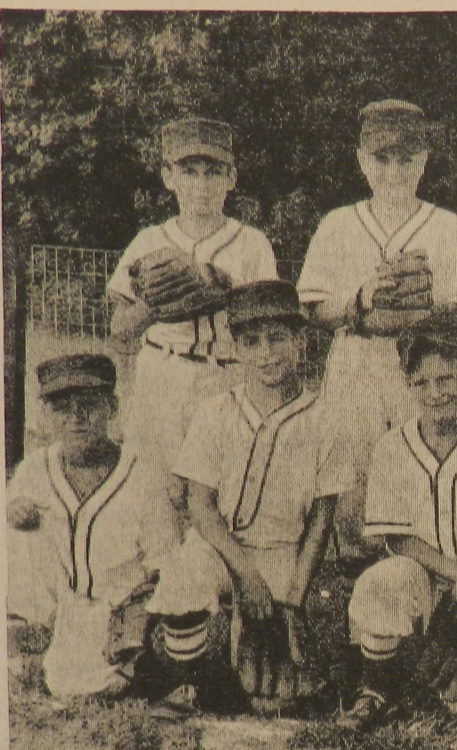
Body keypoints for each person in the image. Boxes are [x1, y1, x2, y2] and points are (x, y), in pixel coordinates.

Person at [146, 281, 352, 706]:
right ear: (235, 348)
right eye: (252, 341)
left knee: (273, 697)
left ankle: (231, 667)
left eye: (279, 338)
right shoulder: (216, 410)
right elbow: (199, 504)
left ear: (301, 342)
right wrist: (246, 575)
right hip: (219, 545)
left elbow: (321, 518)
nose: (267, 353)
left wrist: (293, 600)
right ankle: (195, 679)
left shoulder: (327, 419)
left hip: (281, 549)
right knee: (184, 580)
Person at [298, 100, 457, 555]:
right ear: (362, 160)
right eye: (382, 158)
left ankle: (422, 580)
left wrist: (417, 312)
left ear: (422, 162)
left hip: (419, 365)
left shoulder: (447, 226)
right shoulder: (338, 224)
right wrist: (360, 301)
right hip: (356, 361)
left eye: (405, 158)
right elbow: (312, 308)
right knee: (353, 480)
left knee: (418, 473)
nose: (394, 170)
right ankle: (358, 580)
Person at [345, 331, 457, 730]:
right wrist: (452, 572)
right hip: (425, 582)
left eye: (445, 379)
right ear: (408, 384)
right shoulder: (393, 447)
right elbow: (396, 537)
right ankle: (375, 687)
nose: (435, 393)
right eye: (422, 383)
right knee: (382, 580)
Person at [107, 117, 278, 506]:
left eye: (213, 172)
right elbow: (120, 331)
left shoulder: (252, 244)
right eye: (189, 171)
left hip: (227, 376)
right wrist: (152, 306)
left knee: (222, 497)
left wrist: (227, 291)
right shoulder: (148, 241)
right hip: (162, 376)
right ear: (169, 176)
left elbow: (270, 322)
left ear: (231, 177)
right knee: (152, 499)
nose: (202, 185)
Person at [6, 353, 178, 699]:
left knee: (88, 685)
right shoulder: (34, 470)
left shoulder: (142, 473)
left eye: (88, 405)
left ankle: (135, 663)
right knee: (16, 519)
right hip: (60, 609)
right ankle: (24, 637)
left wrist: (137, 618)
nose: (76, 418)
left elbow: (166, 562)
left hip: (119, 613)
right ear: (46, 415)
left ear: (112, 408)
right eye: (62, 409)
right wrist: (12, 511)